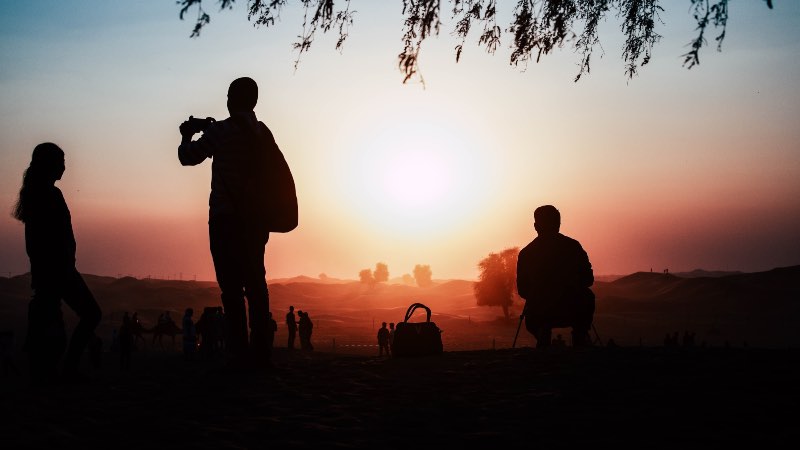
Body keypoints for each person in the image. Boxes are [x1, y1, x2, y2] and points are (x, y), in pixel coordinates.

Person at [178, 77, 283, 369]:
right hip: (255, 222)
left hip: (225, 221)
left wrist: (187, 135)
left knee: (232, 291)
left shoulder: (221, 132)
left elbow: (188, 158)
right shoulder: (263, 133)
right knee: (256, 286)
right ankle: (262, 353)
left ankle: (239, 353)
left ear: (230, 99)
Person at [12, 142, 103, 385]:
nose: (65, 166)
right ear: (50, 165)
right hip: (58, 271)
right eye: (61, 161)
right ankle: (68, 370)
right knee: (90, 314)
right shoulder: (47, 195)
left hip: (52, 270)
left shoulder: (39, 193)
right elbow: (44, 239)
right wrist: (61, 265)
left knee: (51, 320)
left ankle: (53, 373)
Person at [516, 205, 595, 349]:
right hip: (573, 308)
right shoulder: (573, 246)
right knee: (588, 296)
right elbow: (588, 280)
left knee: (533, 310)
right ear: (558, 224)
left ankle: (542, 335)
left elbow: (522, 290)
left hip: (540, 312)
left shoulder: (526, 253)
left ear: (535, 226)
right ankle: (580, 336)